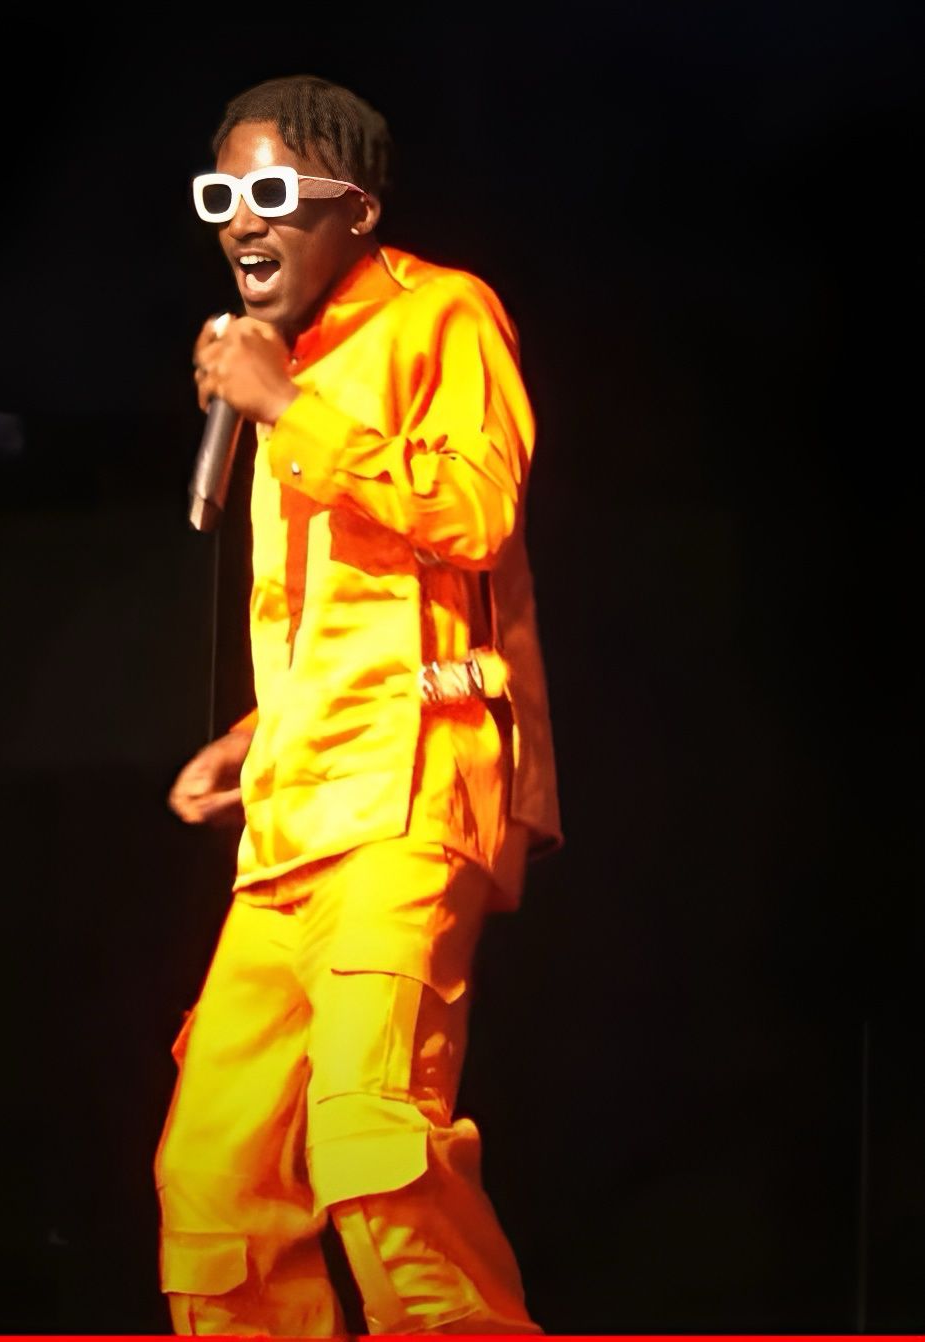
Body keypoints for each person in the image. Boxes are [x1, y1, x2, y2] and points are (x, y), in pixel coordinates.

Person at [156, 73, 562, 1335]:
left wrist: (287, 408)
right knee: (215, 1180)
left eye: (273, 192)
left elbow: (474, 513)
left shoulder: (440, 313)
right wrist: (253, 735)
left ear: (357, 208)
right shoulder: (288, 363)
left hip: (406, 795)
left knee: (371, 1146)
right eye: (222, 196)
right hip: (292, 817)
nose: (242, 221)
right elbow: (348, 612)